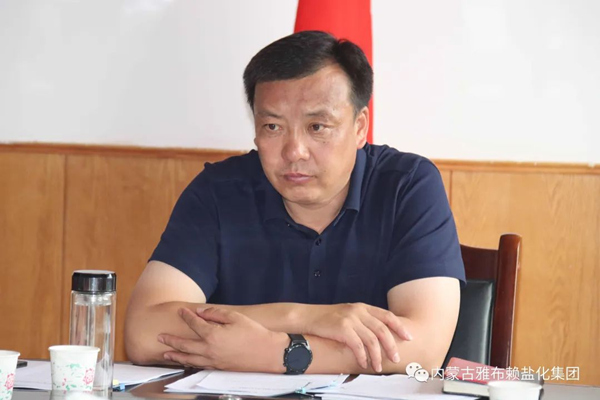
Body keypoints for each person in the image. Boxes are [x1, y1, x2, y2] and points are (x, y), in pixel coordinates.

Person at [124, 30, 465, 375]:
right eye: (273, 127)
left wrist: (273, 352)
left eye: (317, 127)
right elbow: (143, 333)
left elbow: (424, 348)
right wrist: (305, 317)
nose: (294, 152)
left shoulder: (407, 186)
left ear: (360, 127)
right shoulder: (218, 192)